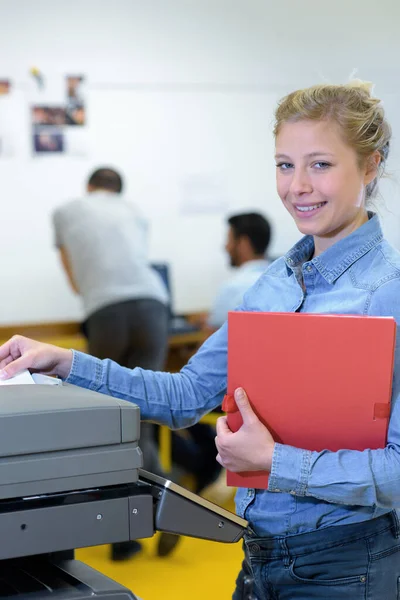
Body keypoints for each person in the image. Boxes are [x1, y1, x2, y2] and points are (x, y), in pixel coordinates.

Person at [2, 80, 400, 598]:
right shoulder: (274, 282)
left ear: (369, 166)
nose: (297, 185)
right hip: (259, 557)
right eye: (284, 164)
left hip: (350, 564)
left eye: (320, 164)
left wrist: (276, 463)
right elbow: (187, 396)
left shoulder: (386, 293)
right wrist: (66, 363)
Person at [52, 167, 178, 561]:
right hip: (155, 306)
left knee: (105, 421)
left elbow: (75, 281)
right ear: (118, 190)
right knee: (139, 415)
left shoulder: (66, 210)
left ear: (90, 186)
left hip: (106, 310)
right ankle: (170, 503)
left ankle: (121, 534)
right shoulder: (135, 211)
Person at [207, 212, 271, 329]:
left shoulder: (232, 288)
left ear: (243, 243)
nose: (226, 247)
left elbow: (213, 337)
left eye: (229, 240)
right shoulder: (284, 282)